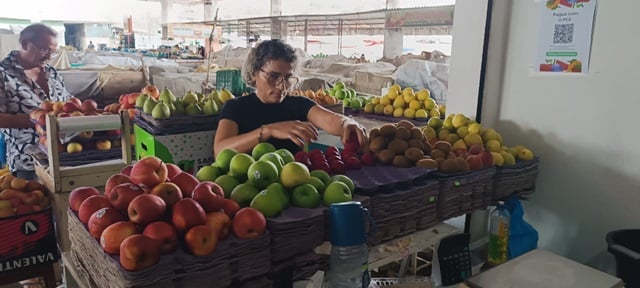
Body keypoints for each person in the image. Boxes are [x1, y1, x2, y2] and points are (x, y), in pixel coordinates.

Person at [214, 39, 368, 157]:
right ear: (254, 73)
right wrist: (268, 131)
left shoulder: (298, 105)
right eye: (273, 76)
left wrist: (348, 123)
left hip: (292, 186)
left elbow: (332, 120)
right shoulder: (236, 107)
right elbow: (220, 150)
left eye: (287, 78)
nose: (282, 86)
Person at [0, 23, 72, 180]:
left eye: (52, 52)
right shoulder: (4, 74)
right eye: (43, 49)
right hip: (28, 161)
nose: (48, 56)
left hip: (63, 156)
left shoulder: (51, 72)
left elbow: (66, 103)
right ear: (25, 43)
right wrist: (40, 120)